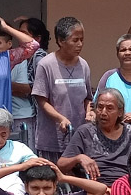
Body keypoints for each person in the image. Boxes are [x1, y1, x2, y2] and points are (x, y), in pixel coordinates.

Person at [58, 89, 131, 195]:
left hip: (125, 185)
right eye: (99, 107)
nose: (103, 112)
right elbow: (61, 164)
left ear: (120, 112)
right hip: (96, 187)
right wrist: (79, 157)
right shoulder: (85, 132)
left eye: (109, 108)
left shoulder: (130, 132)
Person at [31, 16, 92, 163]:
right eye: (75, 40)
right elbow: (41, 100)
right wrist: (60, 119)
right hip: (52, 138)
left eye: (82, 40)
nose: (80, 44)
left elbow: (88, 98)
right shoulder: (46, 64)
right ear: (61, 41)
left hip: (78, 137)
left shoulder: (83, 65)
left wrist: (90, 112)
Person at [10, 18, 49, 149]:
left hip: (38, 115)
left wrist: (5, 85)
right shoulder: (24, 56)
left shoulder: (39, 57)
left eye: (23, 33)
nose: (19, 36)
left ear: (37, 39)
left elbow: (34, 88)